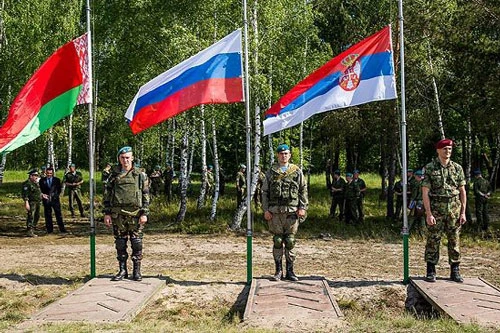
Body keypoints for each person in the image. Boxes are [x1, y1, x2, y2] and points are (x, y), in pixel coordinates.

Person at [422, 138, 467, 283]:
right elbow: (425, 192)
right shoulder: (430, 168)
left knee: (454, 239)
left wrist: (463, 212)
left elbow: (462, 191)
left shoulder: (457, 168)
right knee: (433, 240)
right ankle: (431, 270)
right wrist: (428, 213)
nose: (447, 151)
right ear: (438, 150)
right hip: (437, 209)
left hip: (454, 208)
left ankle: (455, 270)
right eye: (444, 149)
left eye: (449, 149)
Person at [262, 144, 308, 281]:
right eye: (281, 154)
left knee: (290, 241)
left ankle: (290, 271)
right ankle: (278, 271)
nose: (284, 156)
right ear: (278, 155)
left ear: (290, 155)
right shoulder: (271, 172)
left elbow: (303, 189)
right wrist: (265, 210)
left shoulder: (296, 171)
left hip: (292, 212)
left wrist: (303, 207)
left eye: (286, 153)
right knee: (277, 240)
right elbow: (264, 192)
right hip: (275, 212)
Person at [104, 146, 150, 281]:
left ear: (132, 158)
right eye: (123, 158)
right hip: (118, 215)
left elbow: (146, 194)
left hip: (136, 214)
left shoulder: (140, 174)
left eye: (128, 157)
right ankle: (122, 270)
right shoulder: (113, 175)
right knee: (120, 243)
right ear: (119, 159)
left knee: (136, 242)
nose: (125, 160)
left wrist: (145, 213)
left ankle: (137, 271)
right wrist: (107, 213)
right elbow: (107, 195)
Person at [39, 167, 68, 234]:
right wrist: (43, 195)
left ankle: (62, 229)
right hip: (46, 200)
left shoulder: (57, 180)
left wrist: (55, 195)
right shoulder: (42, 180)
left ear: (52, 173)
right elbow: (40, 190)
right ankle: (49, 230)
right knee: (48, 215)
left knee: (58, 214)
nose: (49, 175)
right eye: (48, 173)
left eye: (50, 173)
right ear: (46, 173)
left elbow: (59, 190)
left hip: (55, 200)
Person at [22, 168, 42, 237]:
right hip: (31, 202)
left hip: (37, 202)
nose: (36, 177)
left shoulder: (35, 183)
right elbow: (25, 195)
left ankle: (33, 228)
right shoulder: (27, 184)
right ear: (31, 176)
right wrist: (26, 203)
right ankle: (29, 230)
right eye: (35, 175)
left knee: (37, 215)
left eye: (37, 175)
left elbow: (38, 192)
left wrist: (42, 195)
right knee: (31, 216)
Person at [408, 170, 425, 236]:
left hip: (417, 202)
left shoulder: (416, 184)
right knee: (422, 217)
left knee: (412, 216)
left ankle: (407, 230)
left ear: (417, 176)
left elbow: (414, 195)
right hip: (425, 202)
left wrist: (410, 204)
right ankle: (423, 234)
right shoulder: (425, 183)